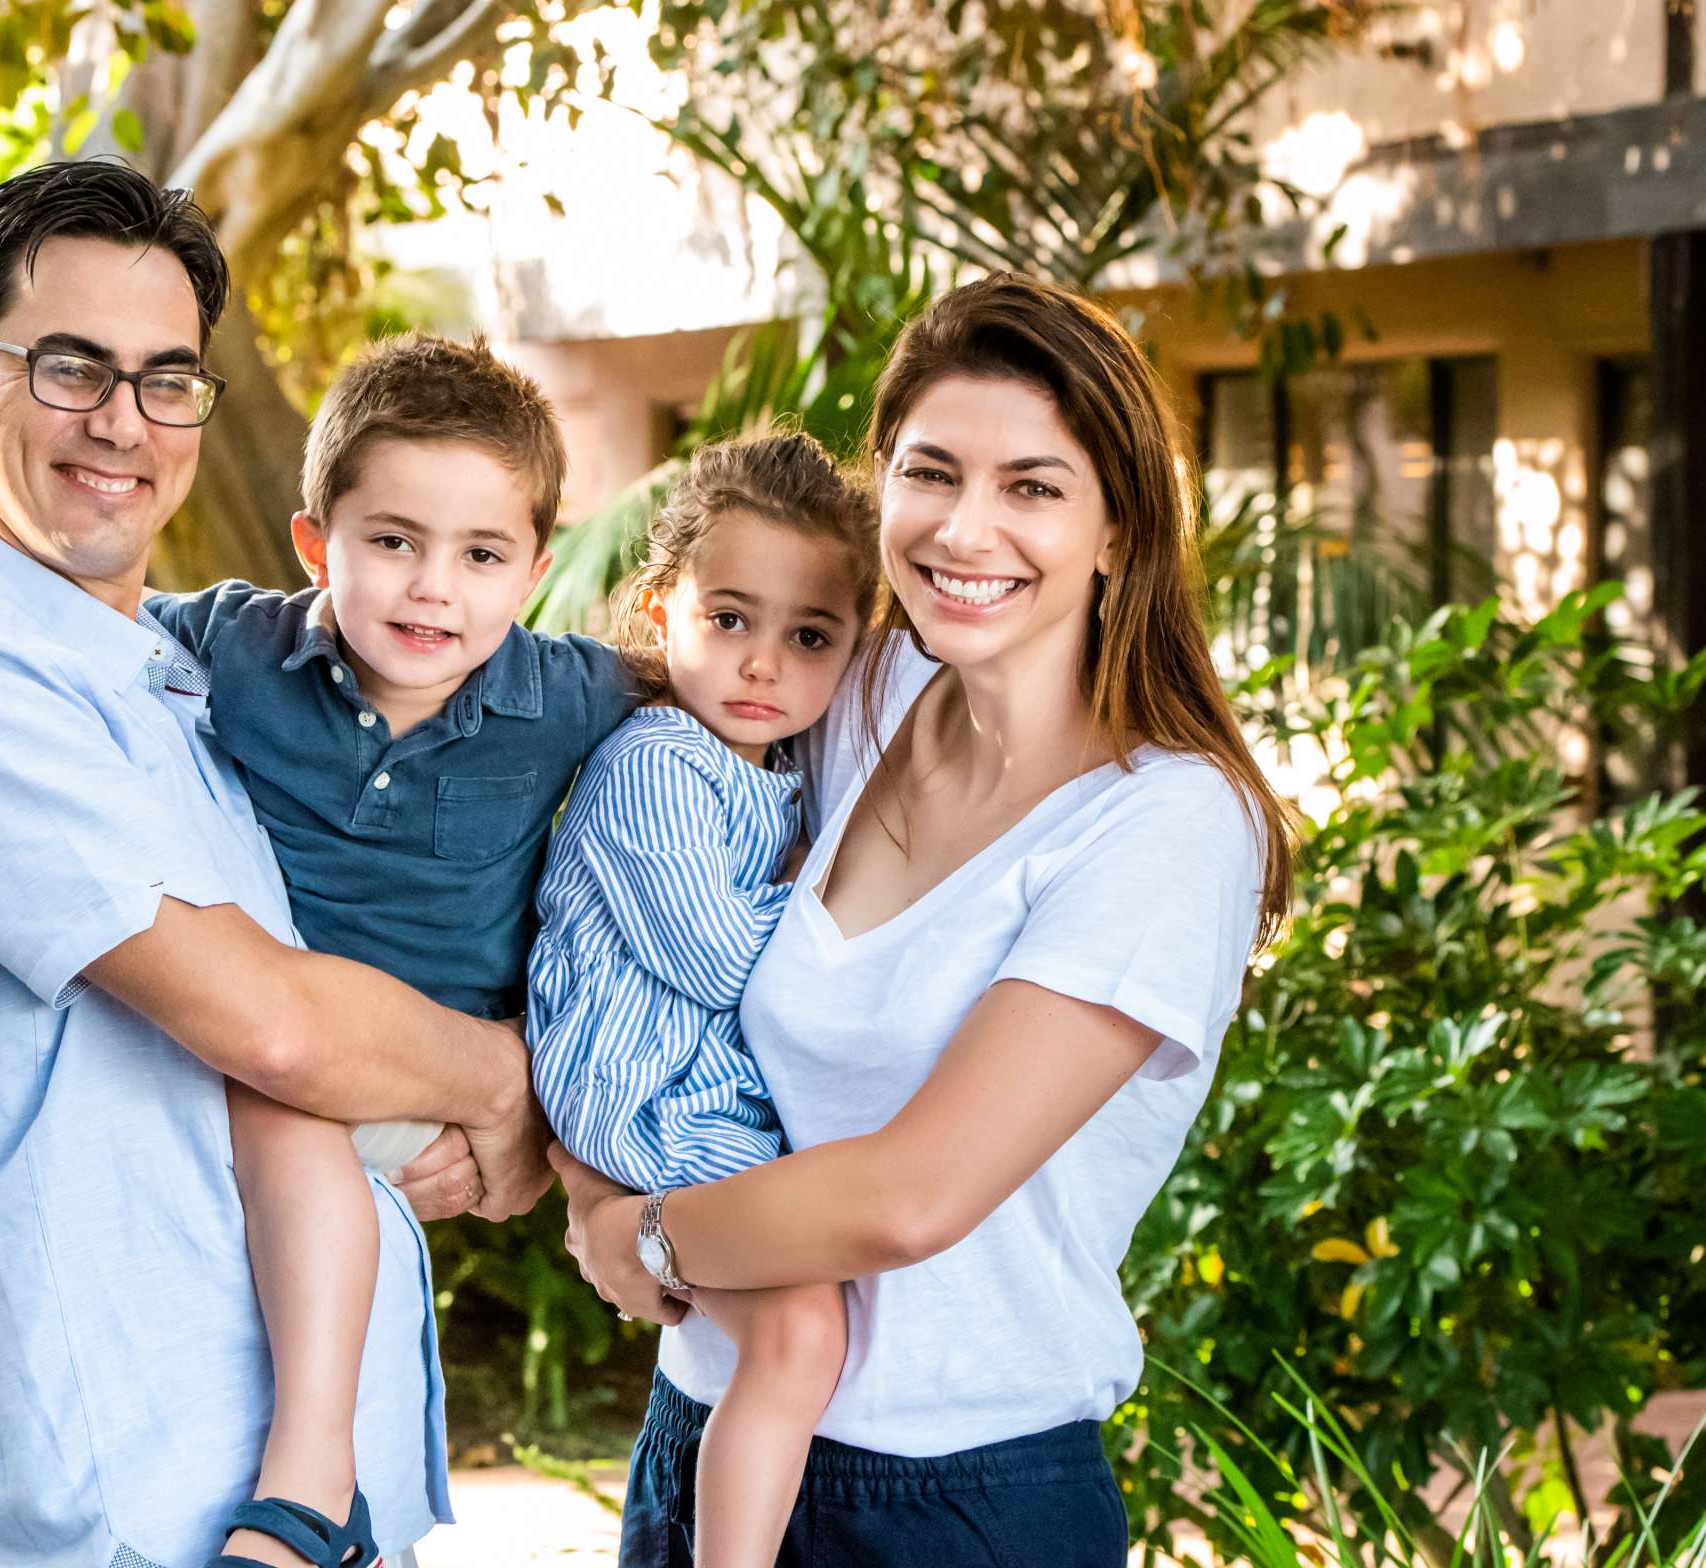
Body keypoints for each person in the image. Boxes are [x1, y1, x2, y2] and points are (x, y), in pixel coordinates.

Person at [0, 159, 548, 1568]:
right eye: (70, 366)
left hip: (307, 1497)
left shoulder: (172, 676)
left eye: (166, 378)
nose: (121, 423)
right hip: (134, 1502)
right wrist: (515, 1086)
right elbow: (273, 1021)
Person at [551, 273, 1299, 1567]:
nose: (964, 528)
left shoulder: (1166, 825)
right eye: (931, 471)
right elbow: (618, 939)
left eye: (1032, 487)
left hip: (951, 1503)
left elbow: (913, 1195)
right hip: (703, 1437)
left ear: (1121, 528)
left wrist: (645, 1231)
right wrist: (584, 1178)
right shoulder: (852, 685)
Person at [526, 433, 875, 1568]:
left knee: (807, 1323)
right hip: (642, 1094)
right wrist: (855, 890)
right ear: (659, 604)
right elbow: (725, 961)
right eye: (731, 619)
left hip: (683, 1082)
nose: (763, 665)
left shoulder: (773, 773)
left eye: (809, 636)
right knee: (803, 1326)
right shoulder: (656, 765)